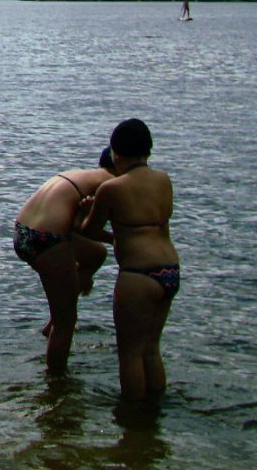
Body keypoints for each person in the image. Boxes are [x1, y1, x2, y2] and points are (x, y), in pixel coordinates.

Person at [80, 119, 180, 401]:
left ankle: (133, 422)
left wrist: (89, 208)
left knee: (129, 354)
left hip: (138, 275)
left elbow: (89, 229)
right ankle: (155, 414)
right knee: (151, 348)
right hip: (170, 270)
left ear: (116, 154)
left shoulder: (112, 189)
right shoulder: (163, 179)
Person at [14, 147, 117, 374]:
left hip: (23, 232)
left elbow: (72, 224)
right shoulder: (110, 183)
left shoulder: (83, 175)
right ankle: (57, 384)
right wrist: (116, 239)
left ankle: (55, 319)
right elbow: (86, 229)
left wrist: (84, 272)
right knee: (67, 323)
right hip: (47, 239)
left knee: (96, 254)